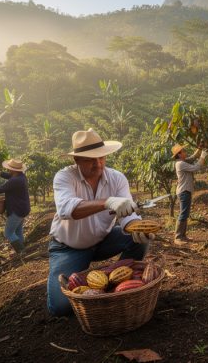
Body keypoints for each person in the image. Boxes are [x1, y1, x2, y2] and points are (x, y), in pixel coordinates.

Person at [46, 128, 154, 317]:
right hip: (70, 248)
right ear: (76, 160)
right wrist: (106, 202)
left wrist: (136, 227)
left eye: (101, 157)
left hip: (103, 240)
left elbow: (127, 214)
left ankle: (114, 282)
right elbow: (66, 209)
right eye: (90, 159)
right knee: (60, 307)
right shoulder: (64, 177)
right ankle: (88, 280)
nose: (98, 164)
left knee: (139, 240)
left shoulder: (117, 178)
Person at [0, 159, 31, 255]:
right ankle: (23, 249)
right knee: (18, 231)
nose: (8, 170)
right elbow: (6, 175)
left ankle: (22, 252)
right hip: (23, 208)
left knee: (8, 233)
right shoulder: (21, 176)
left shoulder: (15, 180)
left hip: (17, 210)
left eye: (9, 168)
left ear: (13, 170)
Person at [172, 144, 207, 245]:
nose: (185, 152)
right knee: (183, 214)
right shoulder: (180, 164)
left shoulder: (183, 161)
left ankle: (183, 236)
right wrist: (203, 156)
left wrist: (199, 148)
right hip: (184, 191)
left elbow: (192, 157)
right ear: (179, 154)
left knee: (185, 214)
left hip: (185, 191)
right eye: (183, 151)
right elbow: (196, 167)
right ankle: (178, 237)